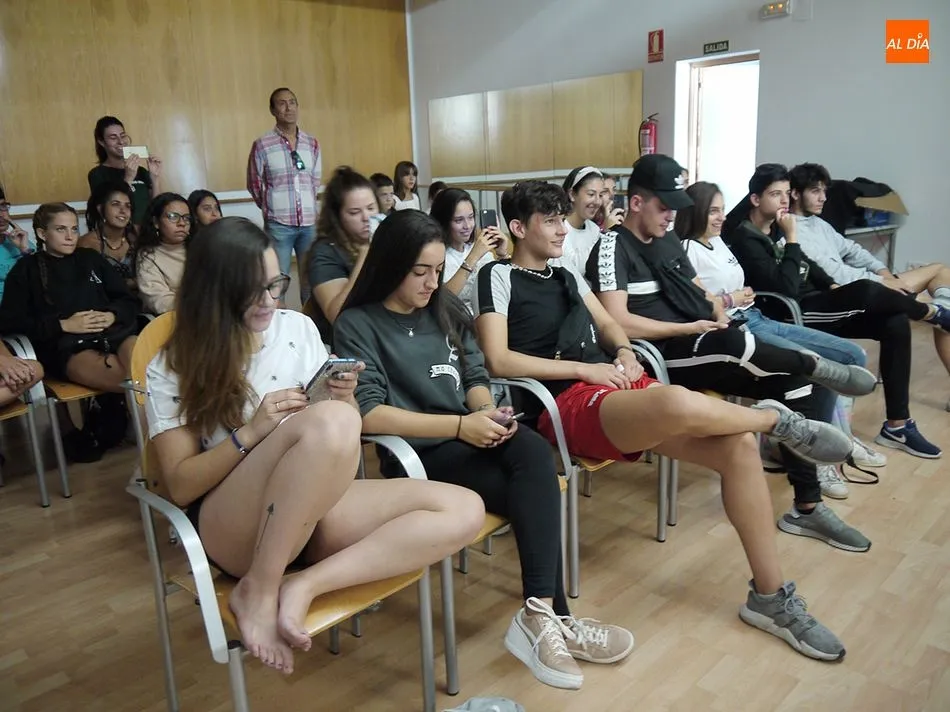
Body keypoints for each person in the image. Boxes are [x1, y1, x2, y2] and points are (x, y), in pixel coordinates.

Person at [475, 179, 855, 662]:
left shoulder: (566, 273)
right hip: (559, 405)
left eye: (558, 219)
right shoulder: (498, 276)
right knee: (678, 400)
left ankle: (770, 596)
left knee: (737, 447)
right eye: (548, 221)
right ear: (516, 228)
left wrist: (626, 351)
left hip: (610, 384)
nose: (559, 230)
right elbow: (499, 359)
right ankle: (776, 422)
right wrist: (583, 369)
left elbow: (610, 323)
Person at [145, 216, 484, 676]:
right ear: (215, 289)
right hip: (234, 526)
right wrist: (253, 431)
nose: (270, 301)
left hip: (308, 511)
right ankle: (259, 588)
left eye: (276, 284)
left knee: (464, 509)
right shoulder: (174, 362)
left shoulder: (297, 328)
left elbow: (332, 427)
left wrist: (340, 396)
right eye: (254, 290)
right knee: (331, 420)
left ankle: (304, 584)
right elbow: (179, 488)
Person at [333, 210, 634, 690]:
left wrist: (484, 414)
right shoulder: (358, 323)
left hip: (467, 437)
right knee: (532, 479)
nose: (434, 283)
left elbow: (475, 377)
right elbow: (367, 415)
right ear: (390, 266)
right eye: (420, 272)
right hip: (418, 456)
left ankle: (542, 615)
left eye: (437, 270)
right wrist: (459, 426)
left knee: (531, 454)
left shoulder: (444, 309)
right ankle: (553, 615)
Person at [674, 180, 887, 501]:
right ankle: (820, 460)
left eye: (721, 209)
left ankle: (841, 439)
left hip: (759, 317)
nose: (721, 218)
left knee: (852, 354)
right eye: (712, 211)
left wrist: (737, 296)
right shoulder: (687, 249)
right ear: (695, 212)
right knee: (814, 371)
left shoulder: (718, 242)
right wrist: (731, 299)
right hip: (735, 330)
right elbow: (702, 303)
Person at [723, 163, 943, 459]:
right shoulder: (746, 238)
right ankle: (932, 313)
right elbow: (786, 288)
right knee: (868, 288)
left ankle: (897, 425)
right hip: (792, 311)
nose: (785, 201)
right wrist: (792, 238)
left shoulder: (777, 224)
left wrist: (832, 285)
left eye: (786, 193)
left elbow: (809, 266)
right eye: (777, 194)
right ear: (755, 199)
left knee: (895, 322)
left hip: (818, 300)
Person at [789, 162, 950, 404]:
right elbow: (836, 274)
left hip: (872, 285)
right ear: (795, 194)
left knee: (941, 281)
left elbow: (852, 250)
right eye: (815, 191)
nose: (823, 198)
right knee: (939, 272)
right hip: (841, 297)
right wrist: (882, 283)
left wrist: (884, 273)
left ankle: (941, 311)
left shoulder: (818, 223)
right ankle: (940, 311)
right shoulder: (793, 230)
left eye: (824, 191)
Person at [0, 203, 138, 460]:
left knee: (140, 356)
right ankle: (109, 407)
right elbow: (11, 323)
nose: (69, 236)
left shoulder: (91, 259)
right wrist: (63, 325)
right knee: (131, 377)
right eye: (60, 229)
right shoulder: (26, 270)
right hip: (68, 347)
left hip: (114, 336)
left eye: (74, 229)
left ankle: (113, 408)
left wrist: (112, 314)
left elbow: (128, 300)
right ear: (42, 234)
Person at [247, 87, 322, 301]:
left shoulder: (312, 143)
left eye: (292, 102)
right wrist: (271, 206)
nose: (288, 107)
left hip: (309, 223)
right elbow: (254, 182)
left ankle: (309, 326)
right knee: (277, 280)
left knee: (311, 279)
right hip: (279, 224)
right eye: (282, 103)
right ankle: (280, 327)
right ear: (272, 110)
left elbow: (314, 181)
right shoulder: (262, 144)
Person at [306, 167, 378, 339]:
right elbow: (337, 315)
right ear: (337, 216)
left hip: (380, 331)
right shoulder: (324, 252)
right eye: (355, 212)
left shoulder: (387, 237)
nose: (366, 217)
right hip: (343, 341)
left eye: (371, 208)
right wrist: (365, 254)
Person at [430, 188, 508, 314]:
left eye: (471, 217)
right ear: (443, 221)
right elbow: (442, 299)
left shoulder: (479, 248)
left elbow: (503, 286)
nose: (467, 226)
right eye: (458, 220)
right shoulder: (438, 256)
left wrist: (502, 254)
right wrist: (473, 257)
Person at [87, 116, 162, 227]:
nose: (121, 141)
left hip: (146, 232)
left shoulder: (141, 171)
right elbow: (108, 210)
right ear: (102, 142)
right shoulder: (97, 174)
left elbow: (156, 207)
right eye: (113, 137)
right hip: (121, 234)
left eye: (123, 136)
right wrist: (128, 178)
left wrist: (155, 178)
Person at [136, 193, 191, 315]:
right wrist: (199, 304)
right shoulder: (148, 255)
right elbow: (159, 301)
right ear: (156, 222)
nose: (182, 223)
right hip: (174, 318)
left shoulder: (200, 247)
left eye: (186, 218)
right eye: (173, 217)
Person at [79, 181, 137, 293]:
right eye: (115, 204)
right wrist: (133, 282)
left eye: (127, 206)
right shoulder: (86, 244)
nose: (123, 211)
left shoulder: (135, 239)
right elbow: (91, 286)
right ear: (101, 209)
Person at [551, 167, 610, 276]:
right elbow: (573, 269)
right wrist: (606, 237)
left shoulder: (593, 229)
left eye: (600, 195)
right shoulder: (558, 229)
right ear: (572, 194)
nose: (597, 202)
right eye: (591, 194)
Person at [0, 184, 35, 301]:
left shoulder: (19, 241)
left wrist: (24, 251)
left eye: (2, 206)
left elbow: (42, 280)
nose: (1, 215)